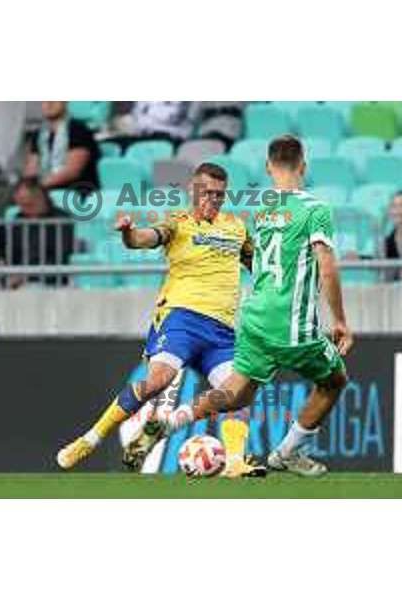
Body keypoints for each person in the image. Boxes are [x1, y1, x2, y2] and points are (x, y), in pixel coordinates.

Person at [123, 135, 353, 476]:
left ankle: (170, 422)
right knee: (334, 381)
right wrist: (341, 320)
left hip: (254, 319)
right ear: (303, 166)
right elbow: (327, 267)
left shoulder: (259, 211)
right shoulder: (315, 210)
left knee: (236, 393)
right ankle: (288, 452)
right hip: (291, 322)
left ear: (268, 168)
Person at [56, 163, 261, 478]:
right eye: (207, 193)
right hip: (182, 318)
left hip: (222, 330)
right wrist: (128, 233)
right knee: (157, 381)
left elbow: (257, 266)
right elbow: (145, 238)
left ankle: (234, 461)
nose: (213, 200)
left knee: (239, 392)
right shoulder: (177, 223)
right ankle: (89, 439)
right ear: (194, 191)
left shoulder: (236, 228)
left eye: (220, 195)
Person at [0, 177, 74, 288]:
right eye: (21, 204)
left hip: (50, 282)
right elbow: (8, 253)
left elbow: (62, 257)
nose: (24, 209)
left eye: (29, 204)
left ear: (41, 197)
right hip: (17, 281)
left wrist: (27, 275)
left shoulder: (61, 220)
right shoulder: (18, 220)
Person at [24, 101, 100, 190]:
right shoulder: (39, 135)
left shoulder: (78, 130)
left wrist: (38, 186)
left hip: (74, 191)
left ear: (65, 102)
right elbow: (31, 170)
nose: (49, 103)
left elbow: (72, 172)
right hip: (44, 191)